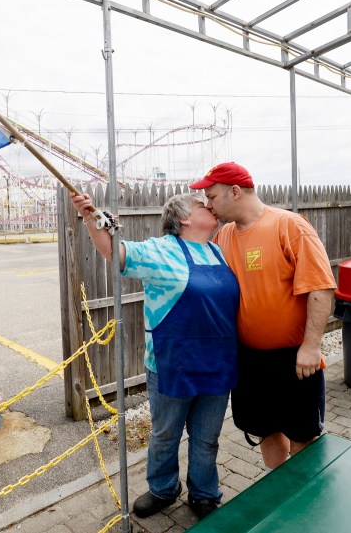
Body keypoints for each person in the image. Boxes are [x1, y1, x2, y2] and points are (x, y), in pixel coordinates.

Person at [71, 191, 239, 520]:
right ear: (184, 218)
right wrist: (90, 216)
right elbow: (112, 251)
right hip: (172, 363)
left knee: (207, 437)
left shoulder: (217, 251)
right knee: (165, 435)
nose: (211, 207)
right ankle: (163, 489)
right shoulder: (160, 250)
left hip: (217, 362)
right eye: (202, 205)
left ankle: (204, 492)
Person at [190, 162, 336, 470]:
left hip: (294, 359)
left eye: (212, 196)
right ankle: (276, 493)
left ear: (234, 192)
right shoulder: (224, 236)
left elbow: (320, 288)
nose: (208, 204)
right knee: (265, 429)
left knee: (303, 435)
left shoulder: (289, 226)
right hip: (247, 360)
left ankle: (306, 502)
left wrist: (311, 346)